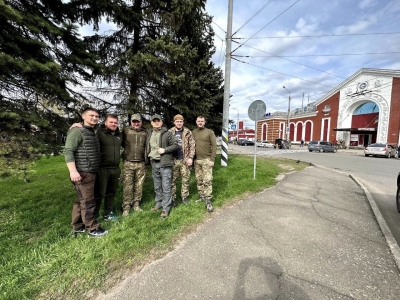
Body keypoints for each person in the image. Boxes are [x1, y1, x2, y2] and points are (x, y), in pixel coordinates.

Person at [64, 107, 108, 237]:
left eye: (96, 116)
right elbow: (68, 151)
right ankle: (92, 228)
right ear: (83, 116)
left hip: (90, 171)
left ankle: (78, 226)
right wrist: (73, 171)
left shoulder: (92, 131)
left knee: (80, 200)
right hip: (83, 172)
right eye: (91, 115)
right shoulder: (77, 131)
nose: (94, 118)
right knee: (88, 201)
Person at [146, 114, 178, 219]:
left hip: (164, 164)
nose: (156, 122)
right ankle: (158, 203)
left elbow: (175, 145)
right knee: (157, 186)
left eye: (158, 121)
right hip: (154, 163)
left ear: (161, 122)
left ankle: (165, 208)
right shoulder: (149, 133)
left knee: (166, 187)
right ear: (151, 123)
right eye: (154, 121)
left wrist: (165, 150)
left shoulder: (167, 133)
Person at [94, 114, 122, 221]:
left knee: (111, 192)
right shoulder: (99, 133)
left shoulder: (119, 134)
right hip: (102, 168)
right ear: (105, 122)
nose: (113, 124)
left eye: (115, 122)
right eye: (111, 122)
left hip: (115, 168)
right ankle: (94, 215)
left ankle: (108, 213)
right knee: (99, 193)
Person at [121, 113, 148, 216]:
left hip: (141, 163)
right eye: (134, 121)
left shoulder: (145, 132)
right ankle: (126, 206)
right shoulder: (125, 130)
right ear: (131, 122)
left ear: (141, 122)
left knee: (139, 185)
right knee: (128, 185)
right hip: (128, 163)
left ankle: (136, 204)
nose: (136, 123)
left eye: (138, 121)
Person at [169, 114, 196, 206]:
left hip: (185, 160)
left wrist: (191, 158)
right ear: (174, 122)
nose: (179, 123)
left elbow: (192, 146)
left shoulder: (188, 132)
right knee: (172, 180)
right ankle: (172, 198)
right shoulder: (170, 132)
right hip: (173, 160)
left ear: (183, 122)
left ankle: (184, 197)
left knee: (186, 179)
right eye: (177, 121)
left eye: (181, 121)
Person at [192, 115, 217, 213]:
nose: (200, 122)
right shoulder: (193, 132)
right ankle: (202, 196)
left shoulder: (209, 132)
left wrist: (212, 159)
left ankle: (208, 200)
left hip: (207, 160)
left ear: (205, 122)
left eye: (202, 121)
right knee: (199, 179)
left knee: (207, 180)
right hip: (197, 160)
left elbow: (214, 146)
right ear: (196, 122)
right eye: (198, 121)